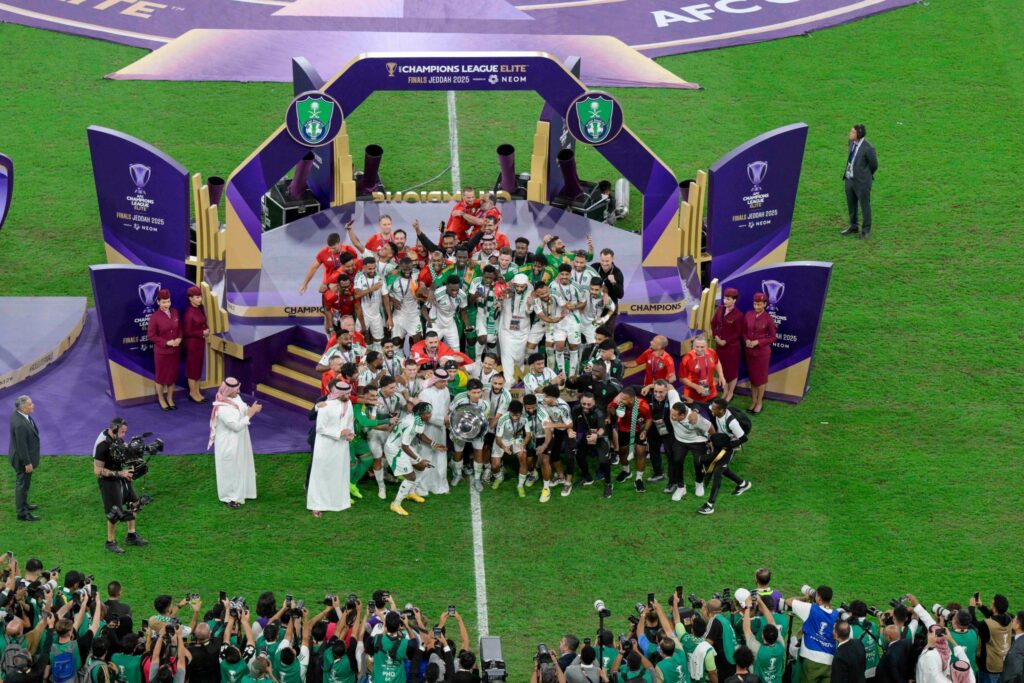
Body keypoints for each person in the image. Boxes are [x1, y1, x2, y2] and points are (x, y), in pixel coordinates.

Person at [93, 418, 149, 553]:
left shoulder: (117, 440)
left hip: (121, 476)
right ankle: (110, 542)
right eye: (122, 432)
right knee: (115, 512)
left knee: (134, 504)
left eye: (125, 432)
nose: (124, 435)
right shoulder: (102, 445)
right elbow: (97, 470)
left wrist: (133, 468)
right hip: (108, 481)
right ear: (114, 430)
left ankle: (131, 535)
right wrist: (120, 473)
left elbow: (126, 455)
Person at [208, 378, 260, 509]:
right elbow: (236, 426)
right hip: (229, 443)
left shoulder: (236, 397)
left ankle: (243, 492)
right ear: (228, 390)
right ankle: (229, 497)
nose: (239, 391)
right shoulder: (223, 407)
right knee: (230, 469)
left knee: (241, 465)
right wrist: (250, 414)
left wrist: (251, 410)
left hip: (240, 440)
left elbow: (242, 410)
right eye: (236, 389)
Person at [307, 380, 355, 517]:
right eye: (346, 394)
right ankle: (316, 505)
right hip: (325, 446)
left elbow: (350, 420)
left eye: (349, 393)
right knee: (321, 474)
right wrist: (338, 433)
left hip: (341, 446)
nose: (348, 396)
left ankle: (338, 502)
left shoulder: (349, 403)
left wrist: (351, 433)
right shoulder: (325, 406)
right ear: (338, 393)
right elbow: (320, 428)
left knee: (338, 472)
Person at [698, 398, 752, 515]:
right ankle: (743, 484)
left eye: (714, 409)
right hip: (722, 442)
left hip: (730, 446)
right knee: (722, 467)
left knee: (718, 472)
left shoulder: (732, 423)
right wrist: (693, 402)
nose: (711, 410)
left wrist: (729, 446)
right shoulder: (716, 410)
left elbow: (744, 438)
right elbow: (705, 405)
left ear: (721, 410)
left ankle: (710, 505)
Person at [385, 402, 438, 517]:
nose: (429, 415)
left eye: (430, 412)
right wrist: (420, 459)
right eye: (427, 413)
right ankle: (395, 504)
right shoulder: (410, 423)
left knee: (421, 467)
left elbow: (419, 434)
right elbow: (405, 446)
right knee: (411, 477)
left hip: (402, 446)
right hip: (395, 448)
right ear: (420, 413)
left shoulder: (417, 419)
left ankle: (410, 493)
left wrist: (433, 443)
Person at [787, 586, 840, 683]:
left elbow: (789, 601)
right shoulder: (837, 614)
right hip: (830, 661)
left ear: (819, 599)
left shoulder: (810, 608)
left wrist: (805, 598)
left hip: (811, 658)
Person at [414, 370, 451, 497]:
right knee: (426, 456)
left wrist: (446, 421)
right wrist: (443, 420)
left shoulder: (446, 391)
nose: (445, 384)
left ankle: (440, 486)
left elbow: (446, 408)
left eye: (446, 381)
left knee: (440, 456)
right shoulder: (425, 393)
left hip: (441, 429)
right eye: (442, 381)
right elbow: (424, 415)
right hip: (427, 429)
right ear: (435, 380)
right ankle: (422, 488)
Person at [840, 124, 878, 240]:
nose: (850, 133)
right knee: (851, 204)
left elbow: (874, 165)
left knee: (864, 206)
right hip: (849, 179)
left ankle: (865, 231)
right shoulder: (851, 142)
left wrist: (865, 176)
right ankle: (853, 226)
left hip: (862, 182)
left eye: (852, 132)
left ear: (859, 134)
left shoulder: (868, 148)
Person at [611, 387, 652, 493]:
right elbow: (610, 408)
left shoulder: (643, 405)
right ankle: (626, 471)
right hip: (623, 429)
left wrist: (645, 431)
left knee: (640, 453)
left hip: (639, 430)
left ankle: (638, 479)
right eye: (621, 397)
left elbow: (649, 419)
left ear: (631, 399)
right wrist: (613, 409)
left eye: (624, 399)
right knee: (622, 451)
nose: (621, 400)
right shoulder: (619, 402)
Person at [666, 402, 710, 501]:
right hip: (680, 440)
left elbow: (710, 428)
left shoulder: (696, 419)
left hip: (698, 441)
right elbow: (671, 391)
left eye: (674, 415)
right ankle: (681, 487)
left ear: (682, 415)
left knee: (698, 462)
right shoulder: (675, 404)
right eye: (671, 413)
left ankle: (699, 483)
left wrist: (712, 441)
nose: (671, 417)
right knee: (677, 460)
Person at [147, 288, 182, 411]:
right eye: (164, 302)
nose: (166, 304)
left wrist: (179, 338)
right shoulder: (154, 317)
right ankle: (161, 399)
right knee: (161, 378)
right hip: (162, 353)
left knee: (172, 376)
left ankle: (170, 398)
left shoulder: (175, 312)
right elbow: (151, 336)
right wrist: (166, 342)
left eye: (168, 301)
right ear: (158, 302)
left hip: (174, 352)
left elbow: (179, 328)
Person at [9, 395, 40, 522]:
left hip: (20, 456)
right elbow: (21, 446)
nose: (33, 406)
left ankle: (24, 504)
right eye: (30, 404)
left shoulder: (19, 414)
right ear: (22, 407)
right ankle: (22, 513)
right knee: (22, 485)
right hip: (22, 460)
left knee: (25, 484)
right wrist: (27, 463)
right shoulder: (20, 424)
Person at [744, 293, 777, 415]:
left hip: (762, 353)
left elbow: (773, 338)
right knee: (753, 377)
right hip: (749, 352)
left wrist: (758, 342)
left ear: (765, 304)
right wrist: (746, 340)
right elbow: (743, 332)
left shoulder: (768, 319)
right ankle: (753, 401)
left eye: (759, 304)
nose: (756, 306)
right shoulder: (748, 315)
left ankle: (759, 402)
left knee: (761, 379)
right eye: (755, 304)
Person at [971, 594, 1014, 683]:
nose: (990, 604)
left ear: (994, 608)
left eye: (992, 603)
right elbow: (994, 617)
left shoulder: (987, 625)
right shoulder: (1008, 618)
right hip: (1002, 662)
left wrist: (971, 607)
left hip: (989, 667)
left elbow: (974, 625)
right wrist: (981, 606)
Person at [711, 288, 745, 402]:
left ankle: (730, 393)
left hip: (732, 348)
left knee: (732, 371)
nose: (725, 301)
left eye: (728, 299)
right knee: (722, 369)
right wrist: (715, 336)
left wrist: (726, 341)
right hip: (720, 347)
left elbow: (738, 332)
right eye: (725, 298)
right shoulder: (720, 309)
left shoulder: (738, 315)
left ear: (734, 300)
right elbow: (713, 323)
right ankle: (725, 390)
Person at [181, 286, 211, 404]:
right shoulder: (189, 313)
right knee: (192, 369)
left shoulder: (200, 308)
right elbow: (186, 332)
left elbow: (203, 322)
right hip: (192, 345)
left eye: (200, 297)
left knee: (198, 368)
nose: (200, 299)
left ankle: (197, 392)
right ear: (190, 298)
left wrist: (206, 329)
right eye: (197, 297)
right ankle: (192, 393)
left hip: (200, 343)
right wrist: (202, 333)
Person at [680, 337, 725, 405]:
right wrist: (696, 387)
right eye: (697, 347)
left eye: (702, 347)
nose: (699, 349)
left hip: (711, 391)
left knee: (713, 409)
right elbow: (682, 378)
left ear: (706, 346)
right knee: (698, 410)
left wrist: (721, 375)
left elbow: (717, 362)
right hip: (693, 394)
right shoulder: (687, 359)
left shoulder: (711, 352)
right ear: (693, 346)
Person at [592, 249, 624, 332]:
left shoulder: (617, 273)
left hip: (610, 308)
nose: (604, 263)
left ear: (612, 259)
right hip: (594, 306)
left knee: (607, 333)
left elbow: (620, 295)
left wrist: (613, 282)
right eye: (602, 260)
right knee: (592, 332)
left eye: (607, 261)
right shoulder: (594, 267)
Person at [999, 612, 1024, 683]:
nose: (1012, 621)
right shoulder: (1017, 639)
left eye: (1014, 619)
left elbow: (1013, 672)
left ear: (1018, 625)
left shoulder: (1018, 648)